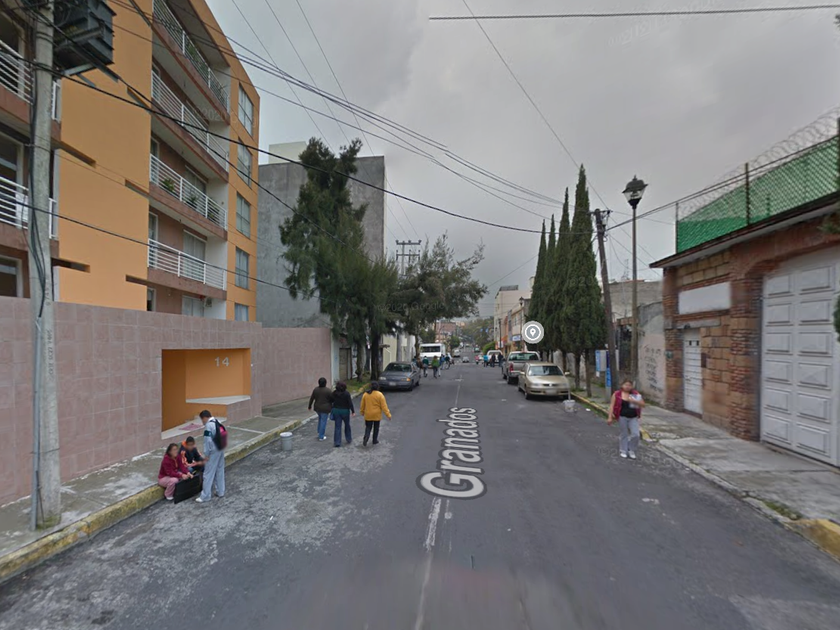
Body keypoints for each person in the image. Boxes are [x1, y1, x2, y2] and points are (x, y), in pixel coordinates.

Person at [607, 380, 646, 460]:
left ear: (631, 386)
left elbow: (643, 404)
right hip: (622, 417)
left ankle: (631, 449)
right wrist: (610, 417)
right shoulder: (617, 394)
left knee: (636, 434)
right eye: (626, 385)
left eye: (629, 385)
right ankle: (623, 450)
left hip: (633, 417)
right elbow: (612, 406)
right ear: (622, 385)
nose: (627, 387)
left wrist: (634, 401)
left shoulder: (635, 394)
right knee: (624, 434)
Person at [196, 410, 225, 503]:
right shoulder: (218, 422)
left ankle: (205, 496)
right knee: (219, 471)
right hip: (221, 449)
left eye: (202, 420)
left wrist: (206, 454)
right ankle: (220, 491)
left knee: (208, 473)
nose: (202, 422)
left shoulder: (208, 426)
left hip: (213, 451)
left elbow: (207, 441)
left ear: (204, 417)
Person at [359, 381, 392, 446]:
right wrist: (388, 415)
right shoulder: (380, 395)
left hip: (368, 414)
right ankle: (374, 440)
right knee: (376, 428)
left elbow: (362, 404)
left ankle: (366, 437)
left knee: (368, 427)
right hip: (376, 415)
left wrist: (362, 411)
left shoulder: (366, 394)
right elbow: (384, 406)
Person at [330, 381, 355, 447]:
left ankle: (337, 442)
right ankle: (348, 438)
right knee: (347, 425)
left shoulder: (334, 393)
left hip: (336, 411)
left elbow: (330, 400)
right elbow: (350, 403)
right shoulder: (347, 393)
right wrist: (353, 411)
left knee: (337, 427)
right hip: (345, 411)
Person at [309, 377, 333, 441]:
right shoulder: (328, 390)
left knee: (320, 419)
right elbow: (332, 399)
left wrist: (309, 406)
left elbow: (312, 398)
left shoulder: (315, 390)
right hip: (325, 408)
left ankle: (319, 431)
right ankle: (321, 436)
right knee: (323, 421)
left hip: (317, 408)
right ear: (325, 383)